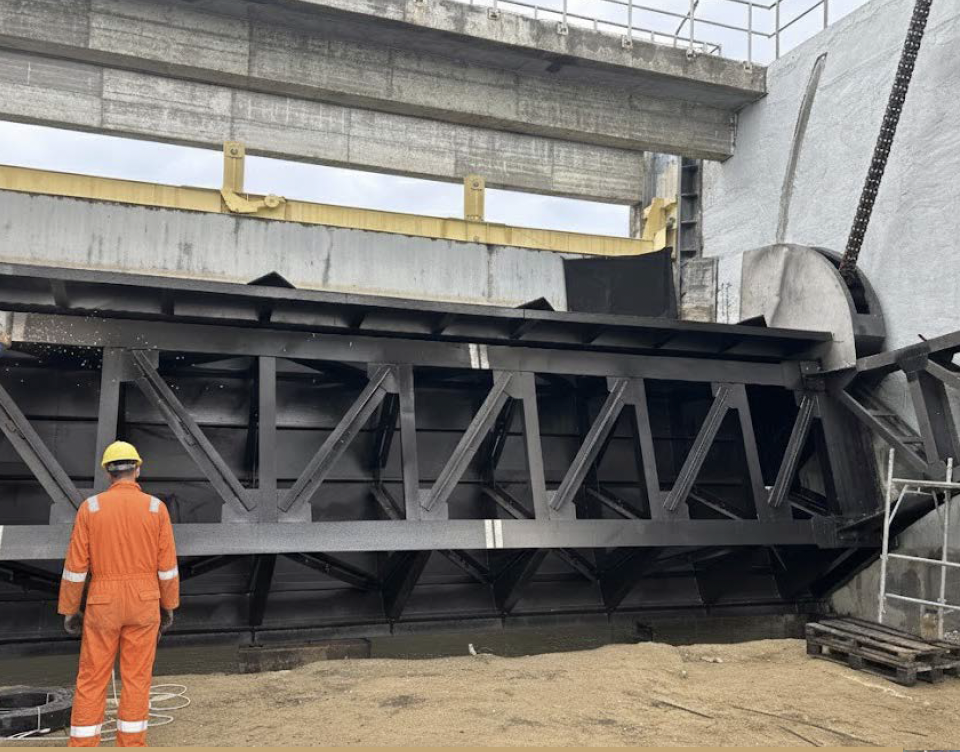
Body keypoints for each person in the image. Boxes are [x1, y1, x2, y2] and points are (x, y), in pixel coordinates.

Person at [58, 441, 179, 747]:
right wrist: (168, 605)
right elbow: (167, 568)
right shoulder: (156, 508)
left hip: (103, 603)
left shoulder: (90, 508)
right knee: (137, 679)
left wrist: (70, 609)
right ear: (137, 469)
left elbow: (75, 568)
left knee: (92, 678)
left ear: (107, 473)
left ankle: (83, 745)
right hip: (144, 601)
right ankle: (132, 744)